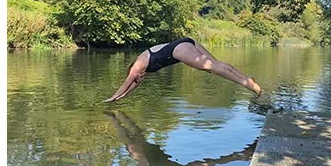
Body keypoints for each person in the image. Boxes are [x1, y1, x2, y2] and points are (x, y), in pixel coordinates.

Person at [104, 110, 256, 166]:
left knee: (134, 136)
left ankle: (115, 116)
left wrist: (237, 156)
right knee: (134, 136)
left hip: (151, 162)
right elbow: (210, 163)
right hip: (150, 162)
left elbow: (210, 164)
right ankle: (115, 116)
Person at [103, 37, 262, 102]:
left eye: (137, 77)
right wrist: (122, 97)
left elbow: (126, 84)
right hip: (186, 42)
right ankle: (248, 80)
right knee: (215, 67)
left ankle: (249, 84)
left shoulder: (137, 66)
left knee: (213, 67)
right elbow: (132, 86)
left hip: (179, 50)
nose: (139, 79)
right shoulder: (141, 69)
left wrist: (113, 97)